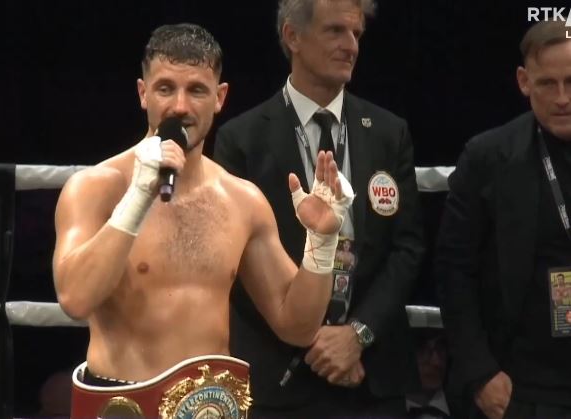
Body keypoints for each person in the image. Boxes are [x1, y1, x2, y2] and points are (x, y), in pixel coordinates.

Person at [53, 22, 353, 405]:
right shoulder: (95, 188)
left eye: (196, 90)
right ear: (143, 93)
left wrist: (322, 242)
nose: (180, 106)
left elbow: (297, 327)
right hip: (122, 405)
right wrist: (137, 199)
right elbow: (75, 299)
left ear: (219, 97)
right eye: (165, 88)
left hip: (212, 407)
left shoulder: (242, 201)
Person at [213, 0, 424, 417]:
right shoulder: (242, 139)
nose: (351, 46)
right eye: (335, 31)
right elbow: (233, 261)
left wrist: (357, 335)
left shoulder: (388, 132)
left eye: (357, 34)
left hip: (371, 377)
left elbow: (408, 247)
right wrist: (309, 335)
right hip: (280, 377)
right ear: (293, 36)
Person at [435, 20, 571, 419]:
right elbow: (453, 270)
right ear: (524, 81)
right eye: (548, 84)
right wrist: (479, 373)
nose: (562, 98)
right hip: (520, 388)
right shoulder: (487, 157)